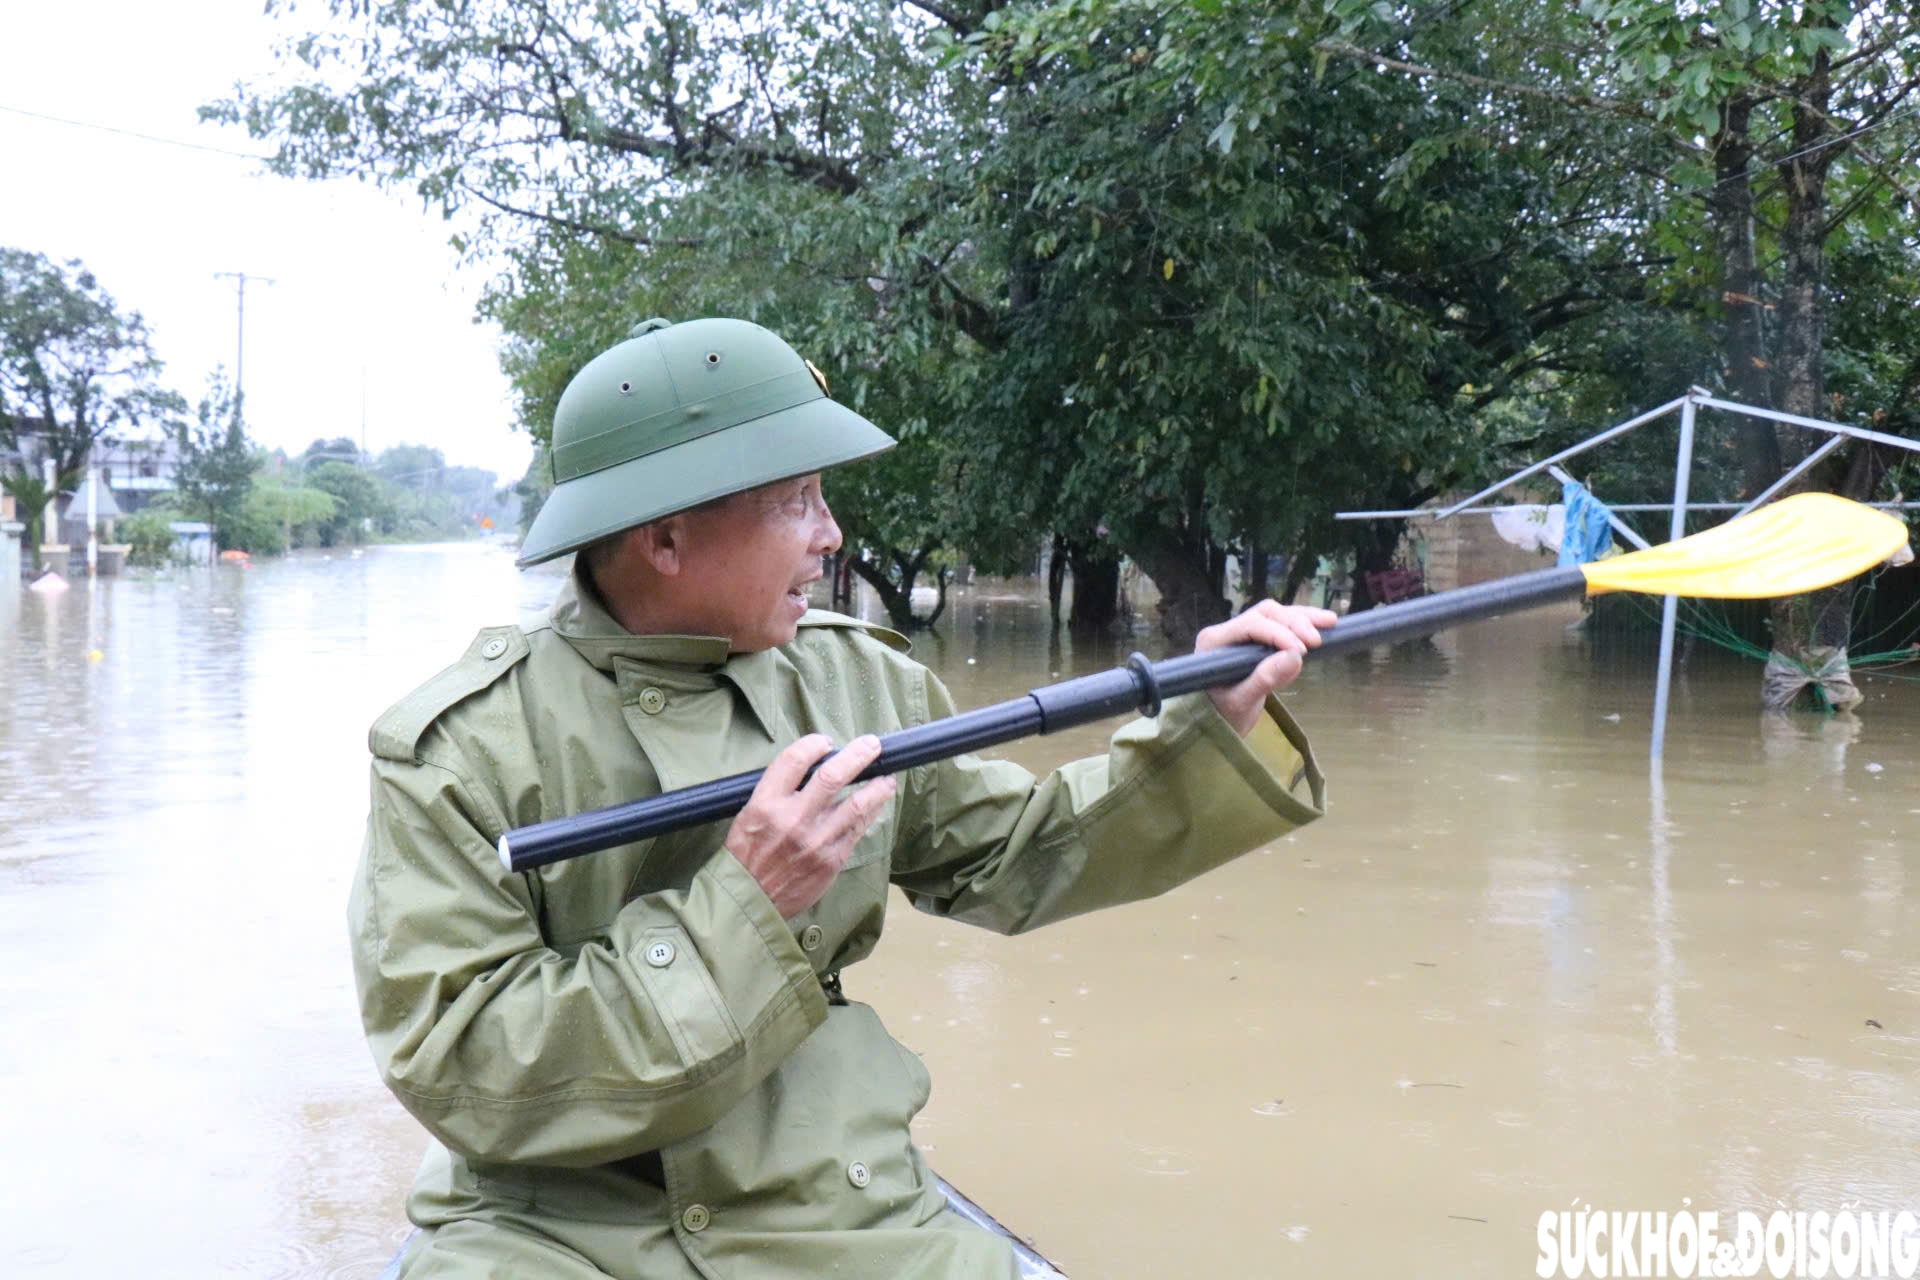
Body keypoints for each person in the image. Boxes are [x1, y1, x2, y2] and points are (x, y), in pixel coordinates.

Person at [352, 317, 1332, 1279]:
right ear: (665, 537)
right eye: (798, 499)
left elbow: (1012, 854)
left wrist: (1207, 721)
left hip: (837, 1201)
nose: (833, 535)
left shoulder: (856, 682)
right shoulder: (456, 749)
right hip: (549, 1227)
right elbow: (466, 1067)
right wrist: (745, 902)